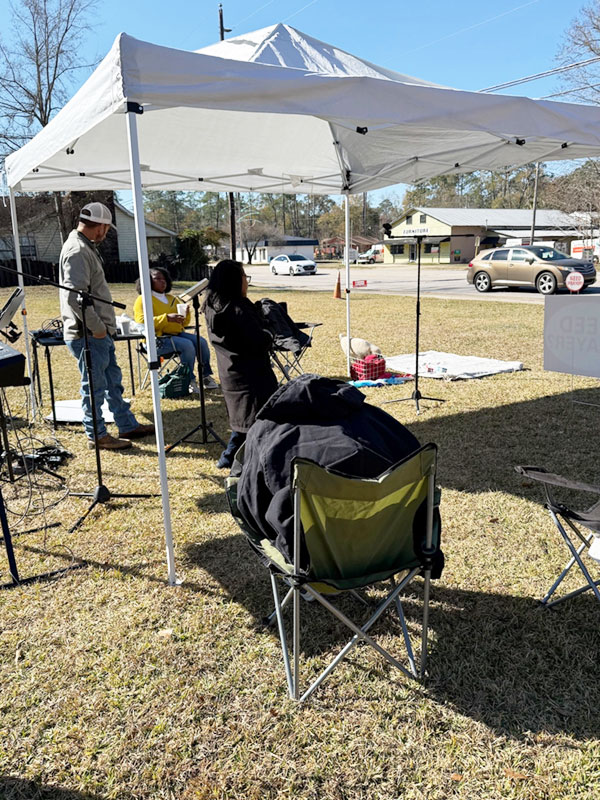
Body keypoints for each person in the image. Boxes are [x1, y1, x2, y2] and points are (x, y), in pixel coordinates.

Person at [59, 202, 155, 451]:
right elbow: (74, 296)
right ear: (100, 226)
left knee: (113, 381)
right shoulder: (77, 250)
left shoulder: (85, 246)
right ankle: (97, 434)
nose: (106, 233)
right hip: (89, 335)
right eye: (106, 228)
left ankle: (126, 424)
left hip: (99, 332)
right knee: (94, 387)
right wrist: (97, 327)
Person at [203, 259, 278, 469]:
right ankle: (238, 462)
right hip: (253, 374)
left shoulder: (211, 305)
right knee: (255, 420)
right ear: (235, 281)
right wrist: (269, 330)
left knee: (243, 422)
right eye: (245, 277)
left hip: (231, 372)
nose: (247, 281)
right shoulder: (238, 309)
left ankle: (228, 458)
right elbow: (259, 341)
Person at [133, 267, 217, 392]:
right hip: (156, 340)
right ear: (147, 281)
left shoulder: (173, 298)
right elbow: (141, 322)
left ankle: (205, 376)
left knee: (201, 341)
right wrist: (166, 318)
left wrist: (186, 314)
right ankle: (188, 380)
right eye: (157, 279)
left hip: (176, 335)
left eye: (164, 279)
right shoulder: (143, 299)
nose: (163, 282)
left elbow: (183, 324)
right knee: (187, 345)